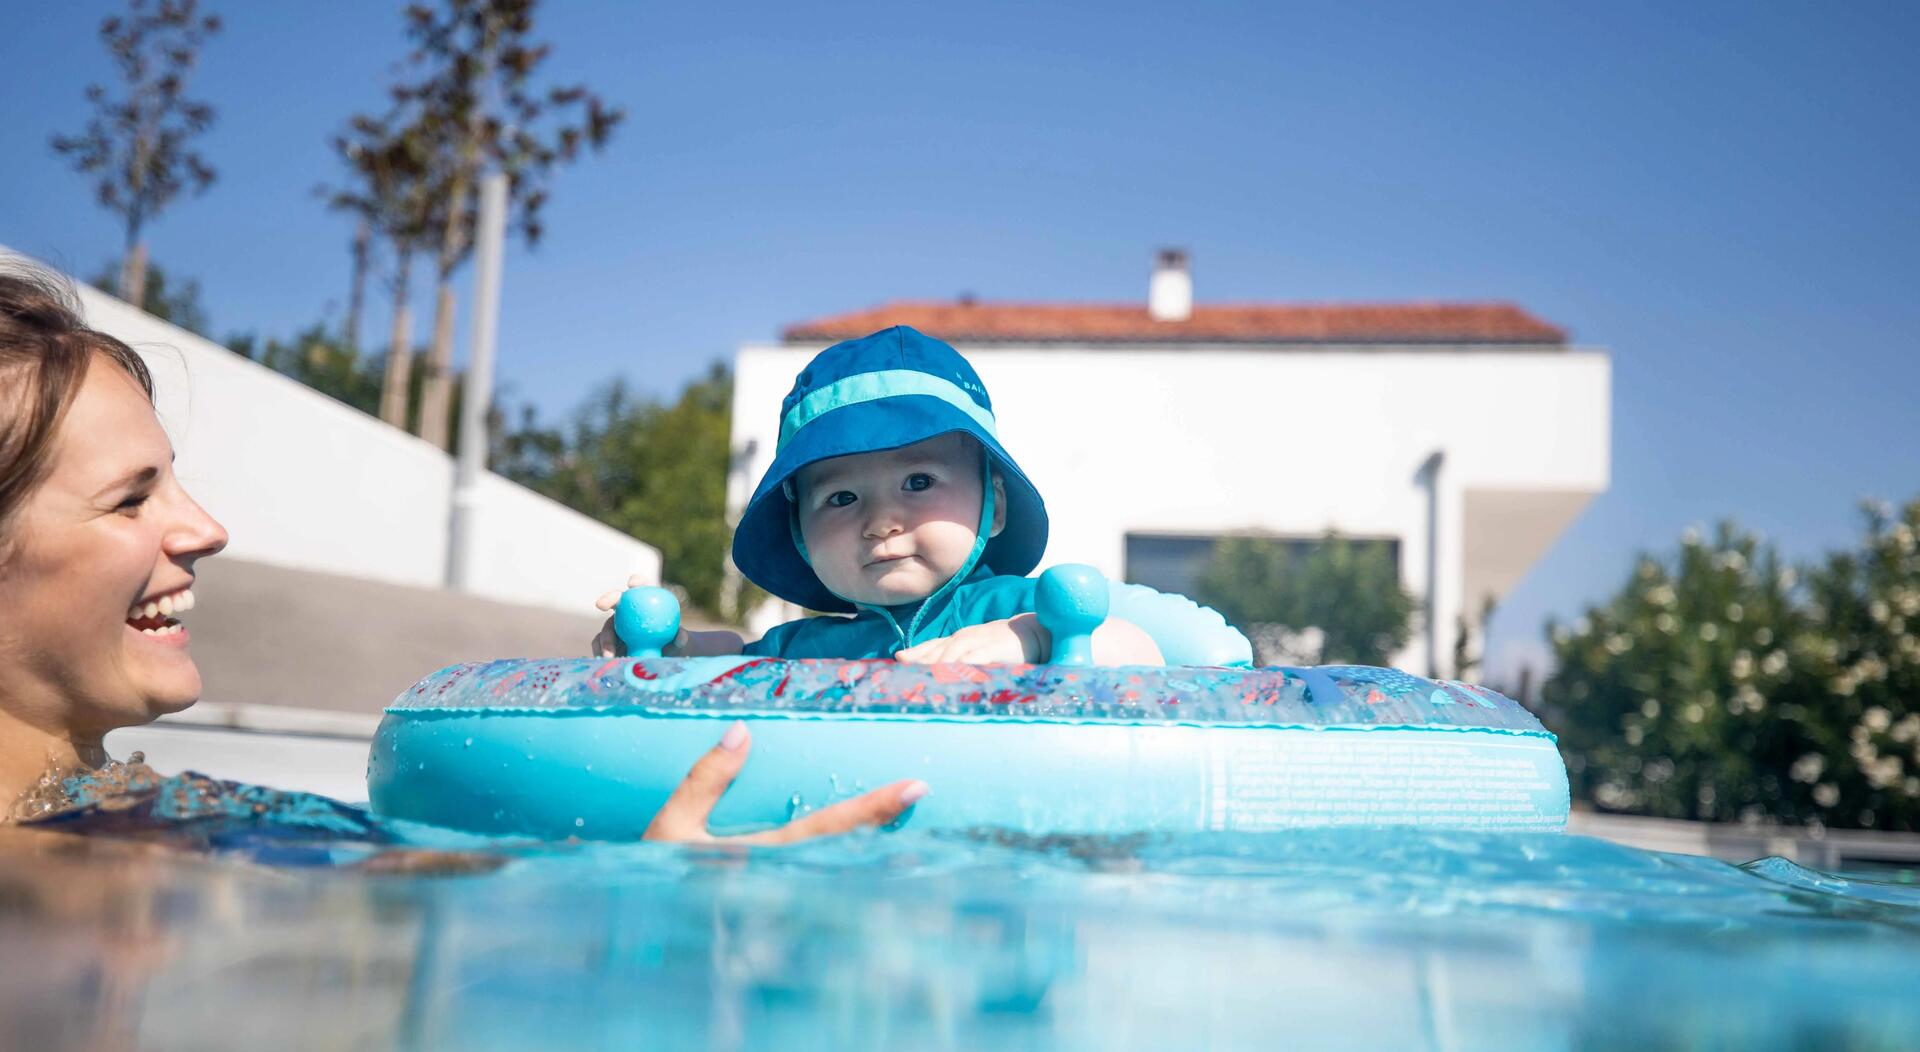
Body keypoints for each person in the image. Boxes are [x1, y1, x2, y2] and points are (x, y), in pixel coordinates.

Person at [0, 263, 912, 843]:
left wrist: (632, 878)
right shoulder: (69, 857)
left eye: (175, 480)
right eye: (132, 497)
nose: (206, 527)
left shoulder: (145, 815)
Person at [593, 325, 1166, 665]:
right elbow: (737, 666)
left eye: (918, 483)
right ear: (799, 531)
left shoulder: (1019, 610)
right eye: (841, 498)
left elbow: (1143, 654)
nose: (881, 522)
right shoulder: (812, 647)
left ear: (996, 506)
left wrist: (1037, 640)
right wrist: (672, 646)